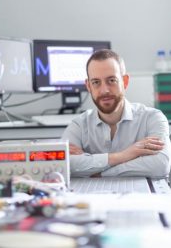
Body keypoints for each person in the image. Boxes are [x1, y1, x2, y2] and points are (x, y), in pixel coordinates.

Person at [62, 49, 171, 178]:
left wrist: (99, 173)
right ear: (88, 86)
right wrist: (123, 156)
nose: (104, 90)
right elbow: (64, 164)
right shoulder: (79, 125)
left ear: (125, 81)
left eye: (111, 80)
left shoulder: (152, 118)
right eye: (96, 82)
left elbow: (160, 165)